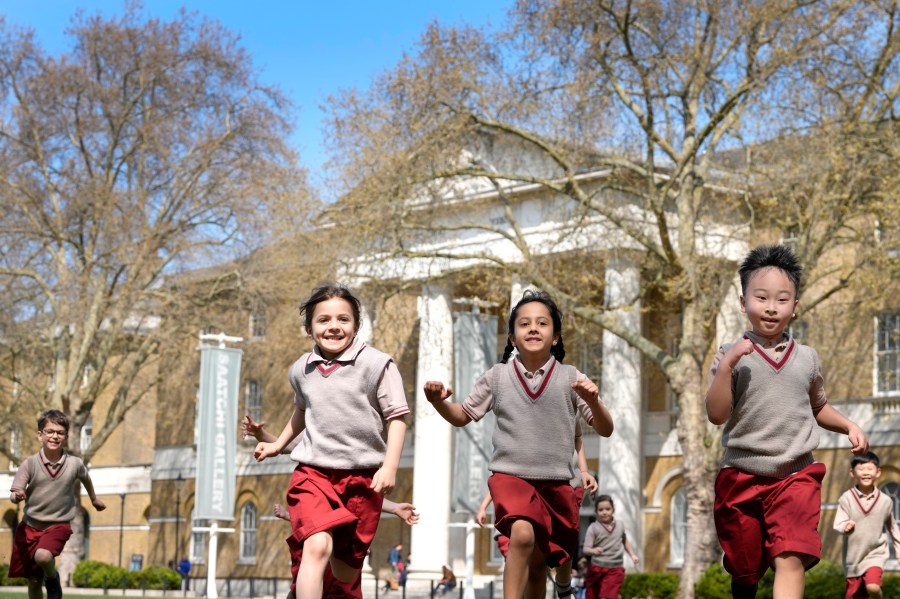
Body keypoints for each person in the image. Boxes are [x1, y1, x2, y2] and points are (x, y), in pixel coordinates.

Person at [425, 289, 614, 599]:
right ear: (512, 337)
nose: (533, 329)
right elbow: (461, 415)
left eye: (542, 323)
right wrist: (437, 402)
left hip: (557, 484)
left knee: (540, 567)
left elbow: (605, 429)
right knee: (522, 535)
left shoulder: (571, 377)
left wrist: (594, 401)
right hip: (511, 476)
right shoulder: (497, 377)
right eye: (524, 324)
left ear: (555, 337)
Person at [706, 244, 869, 599]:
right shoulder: (729, 355)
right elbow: (717, 414)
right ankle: (744, 582)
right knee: (746, 568)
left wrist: (848, 425)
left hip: (795, 474)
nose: (771, 307)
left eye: (782, 300)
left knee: (790, 555)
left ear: (795, 307)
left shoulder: (807, 358)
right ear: (743, 301)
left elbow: (818, 406)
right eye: (761, 297)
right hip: (741, 476)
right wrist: (728, 365)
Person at [253, 283, 410, 599]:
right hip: (314, 473)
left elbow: (397, 419)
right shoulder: (301, 370)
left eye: (343, 319)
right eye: (323, 320)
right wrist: (277, 443)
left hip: (363, 481)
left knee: (344, 572)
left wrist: (389, 467)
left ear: (357, 326)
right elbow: (302, 411)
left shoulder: (378, 365)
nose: (334, 326)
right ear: (309, 328)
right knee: (316, 546)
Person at [243, 413, 417, 599]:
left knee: (341, 566)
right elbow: (285, 444)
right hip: (316, 577)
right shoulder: (318, 444)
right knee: (318, 547)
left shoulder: (359, 458)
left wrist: (394, 507)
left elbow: (367, 495)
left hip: (341, 586)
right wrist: (261, 435)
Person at [8, 409, 107, 599]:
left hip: (58, 525)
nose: (55, 436)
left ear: (66, 436)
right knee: (34, 580)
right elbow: (14, 493)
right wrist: (17, 496)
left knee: (43, 556)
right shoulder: (29, 464)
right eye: (50, 431)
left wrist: (94, 499)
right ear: (40, 435)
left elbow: (86, 478)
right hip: (30, 527)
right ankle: (45, 579)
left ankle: (52, 578)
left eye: (60, 432)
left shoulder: (74, 464)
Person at [272, 501, 419, 598]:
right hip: (310, 589)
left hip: (342, 589)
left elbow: (369, 497)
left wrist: (394, 508)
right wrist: (288, 516)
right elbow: (308, 518)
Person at [833, 451, 900, 599]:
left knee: (873, 587)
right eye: (861, 469)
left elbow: (894, 530)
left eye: (870, 469)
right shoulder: (846, 498)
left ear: (878, 472)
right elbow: (838, 523)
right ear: (852, 472)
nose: (866, 473)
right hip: (853, 559)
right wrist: (845, 527)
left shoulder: (885, 501)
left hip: (876, 554)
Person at [581, 495, 639, 599]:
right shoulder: (593, 528)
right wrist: (593, 550)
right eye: (600, 510)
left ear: (613, 509)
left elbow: (624, 540)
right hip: (597, 569)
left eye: (607, 509)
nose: (604, 512)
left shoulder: (620, 525)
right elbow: (586, 549)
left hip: (615, 568)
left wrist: (632, 555)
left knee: (608, 596)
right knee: (592, 596)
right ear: (596, 512)